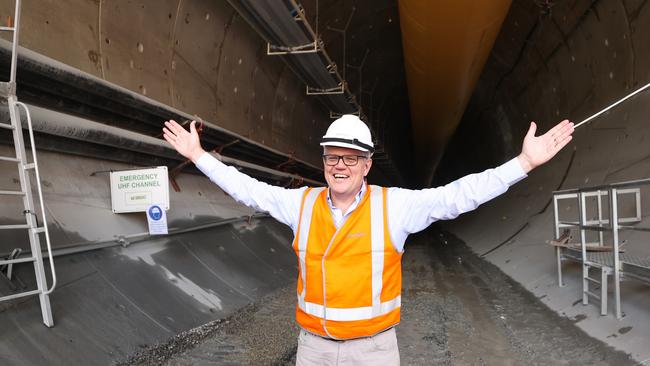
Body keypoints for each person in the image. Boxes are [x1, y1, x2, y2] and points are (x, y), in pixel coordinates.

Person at [162, 114, 574, 365]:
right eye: (331, 157)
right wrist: (199, 157)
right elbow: (246, 188)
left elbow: (456, 196)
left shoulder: (393, 207)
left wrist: (522, 163)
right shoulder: (299, 205)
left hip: (373, 353)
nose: (339, 166)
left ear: (366, 165)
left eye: (350, 158)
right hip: (314, 351)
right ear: (323, 161)